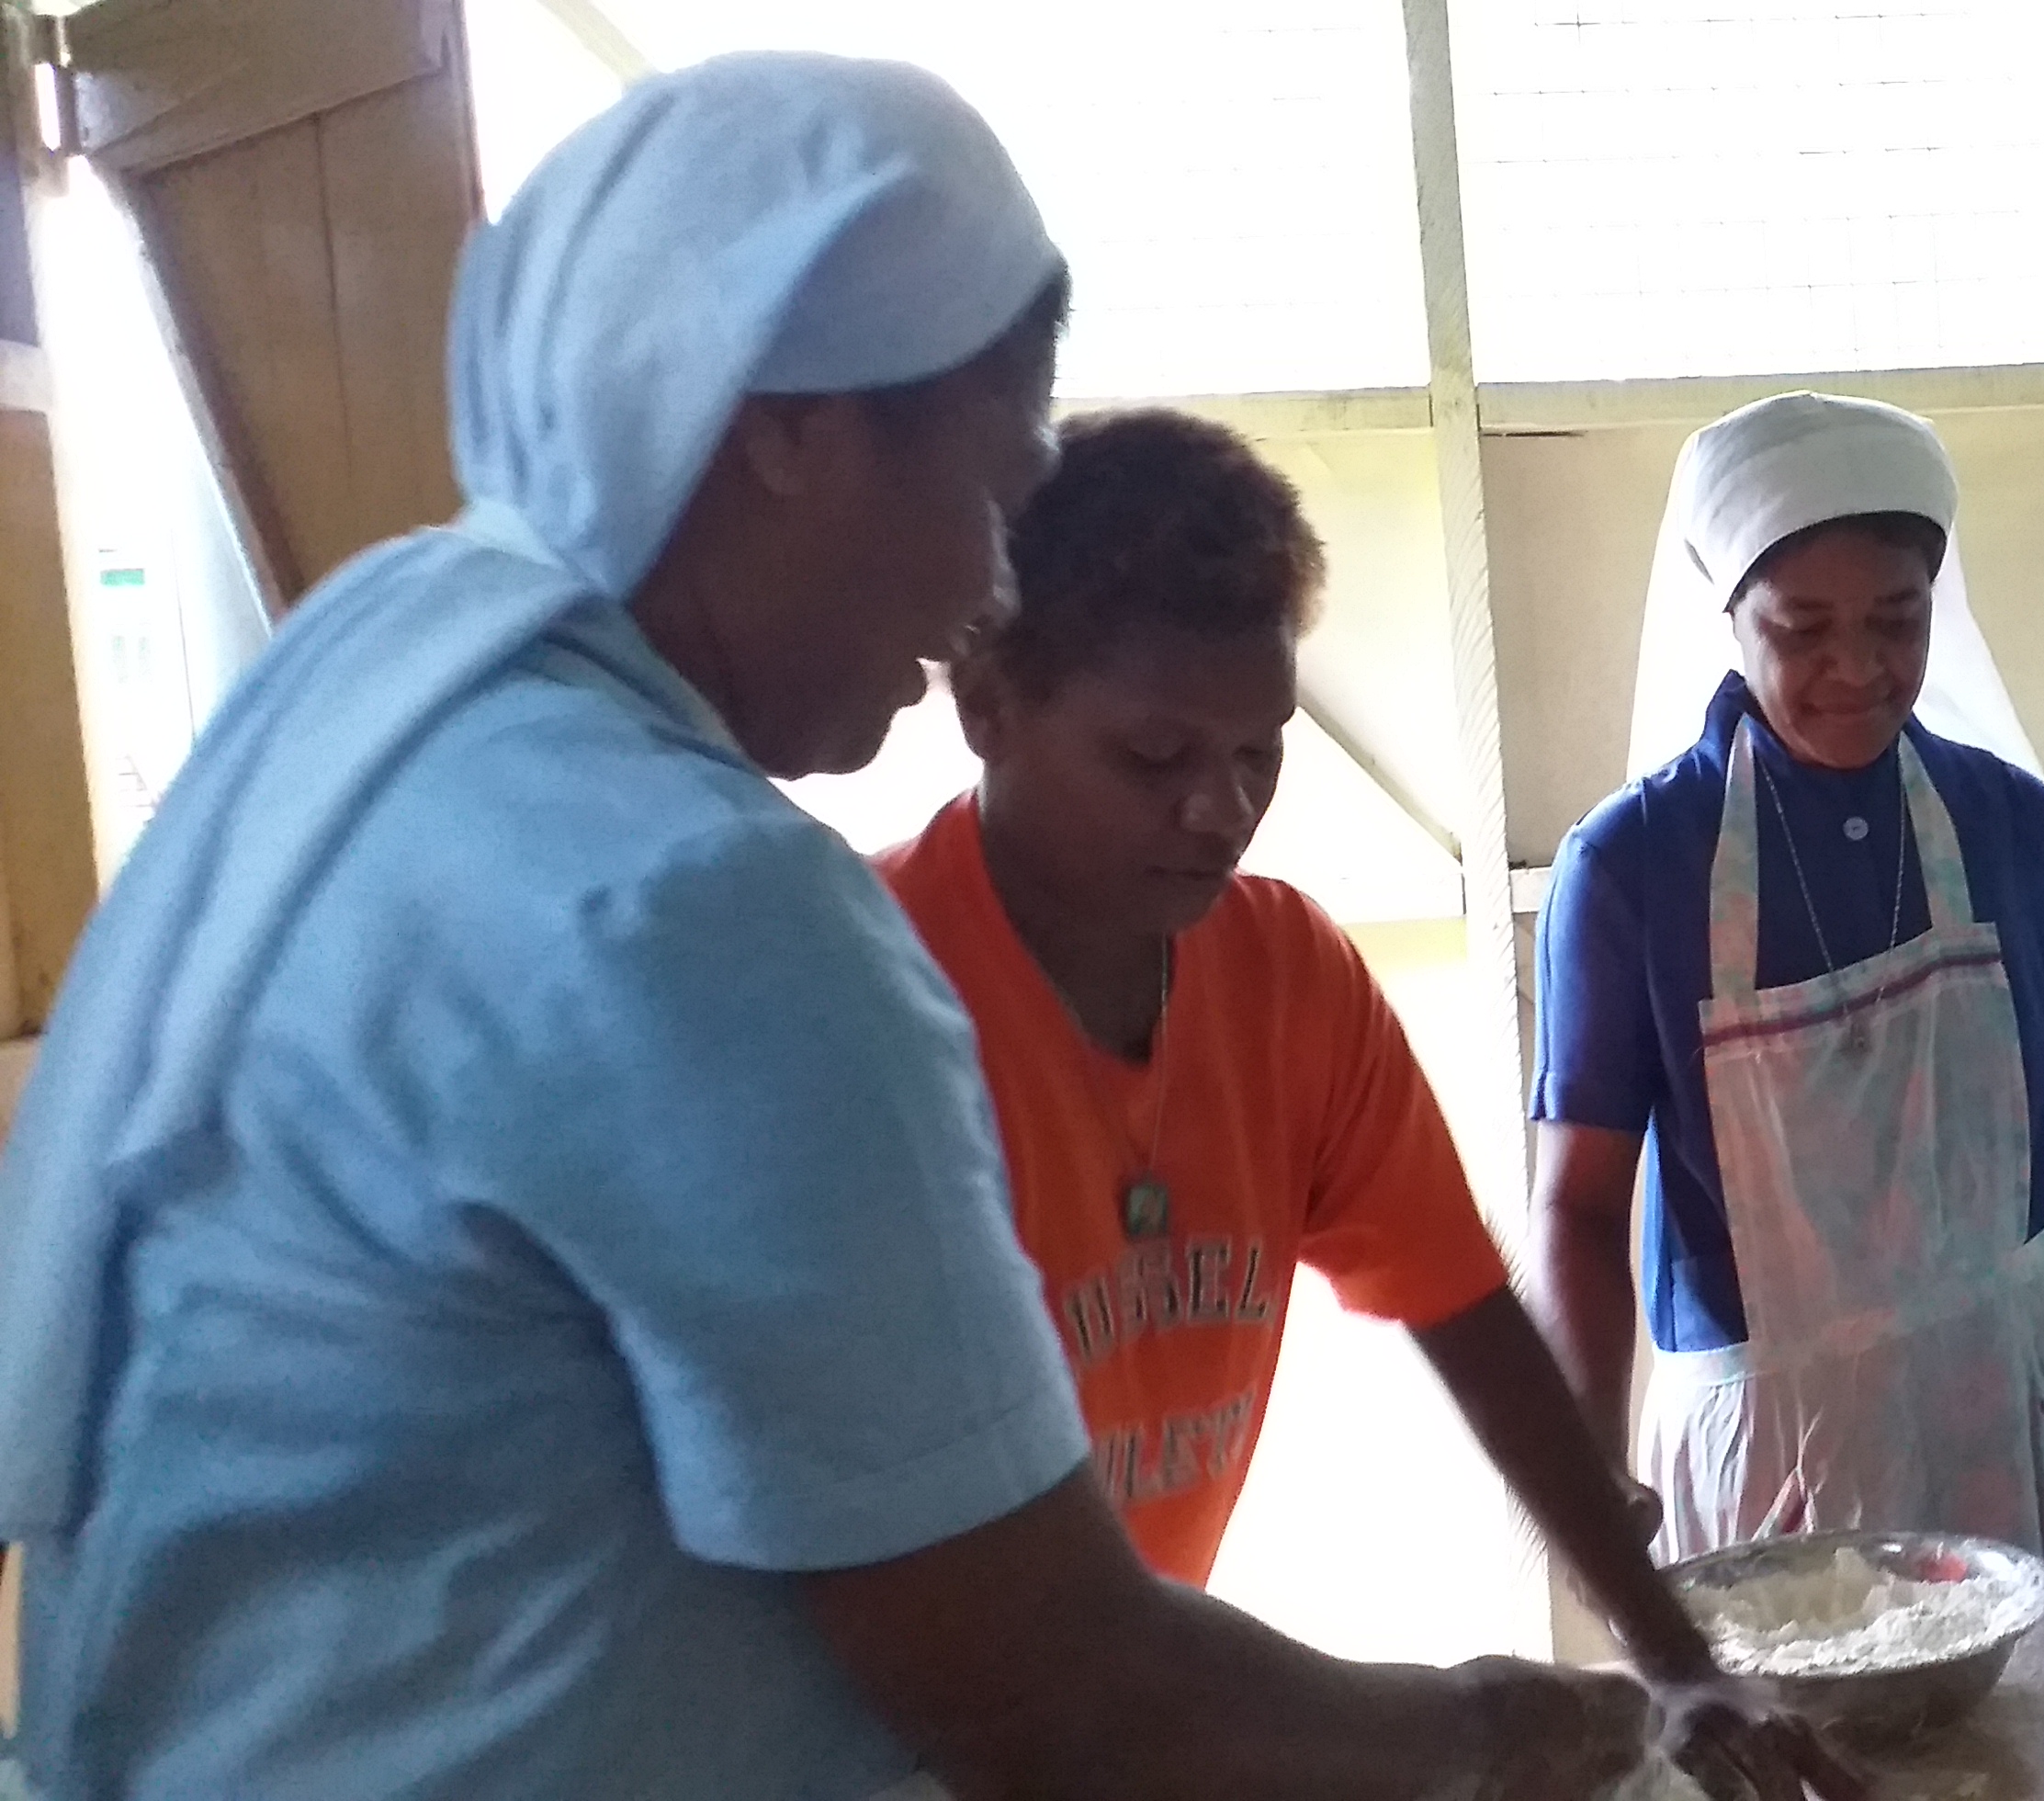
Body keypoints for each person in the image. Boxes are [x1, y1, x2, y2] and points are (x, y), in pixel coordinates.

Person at [0, 56, 1638, 1799]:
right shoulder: (685, 903)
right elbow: (1063, 1697)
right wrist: (1506, 1731)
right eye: (996, 499)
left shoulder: (390, 704)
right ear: (792, 428)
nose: (986, 601)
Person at [875, 407, 1853, 1801]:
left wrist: (1671, 1652)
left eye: (1260, 754)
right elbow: (958, 1622)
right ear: (987, 706)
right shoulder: (871, 1007)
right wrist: (1462, 1730)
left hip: (1118, 1707)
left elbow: (1466, 1316)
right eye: (1154, 760)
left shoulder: (1285, 979)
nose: (1219, 810)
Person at [1529, 391, 2044, 1580]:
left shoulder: (2011, 829)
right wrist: (1587, 1479)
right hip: (1784, 1469)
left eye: (1899, 620)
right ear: (1731, 617)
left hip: (2030, 1410)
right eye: (1804, 628)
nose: (1859, 668)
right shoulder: (1633, 869)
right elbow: (1577, 1212)